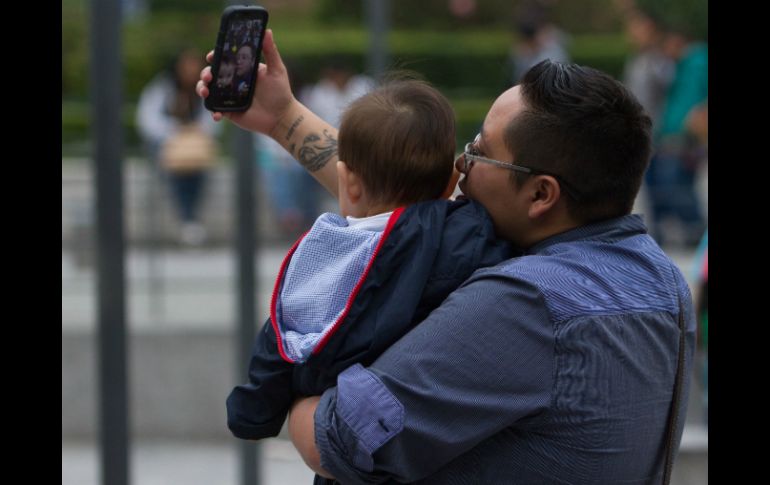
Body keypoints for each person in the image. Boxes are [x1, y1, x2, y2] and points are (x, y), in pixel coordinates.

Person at [198, 30, 696, 483]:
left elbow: (338, 439)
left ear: (541, 195)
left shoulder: (528, 303)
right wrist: (284, 118)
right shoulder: (655, 277)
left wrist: (302, 387)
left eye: (479, 153)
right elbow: (399, 214)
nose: (461, 165)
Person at [226, 78, 516, 441]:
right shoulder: (470, 234)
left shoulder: (325, 255)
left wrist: (252, 414)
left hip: (338, 429)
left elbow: (280, 339)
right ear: (451, 181)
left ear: (346, 180)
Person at [137, 48, 218, 246]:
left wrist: (194, 131)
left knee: (196, 169)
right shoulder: (162, 88)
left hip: (195, 148)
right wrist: (175, 132)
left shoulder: (204, 89)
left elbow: (212, 121)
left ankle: (190, 219)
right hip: (168, 146)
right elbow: (147, 120)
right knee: (176, 171)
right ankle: (188, 219)